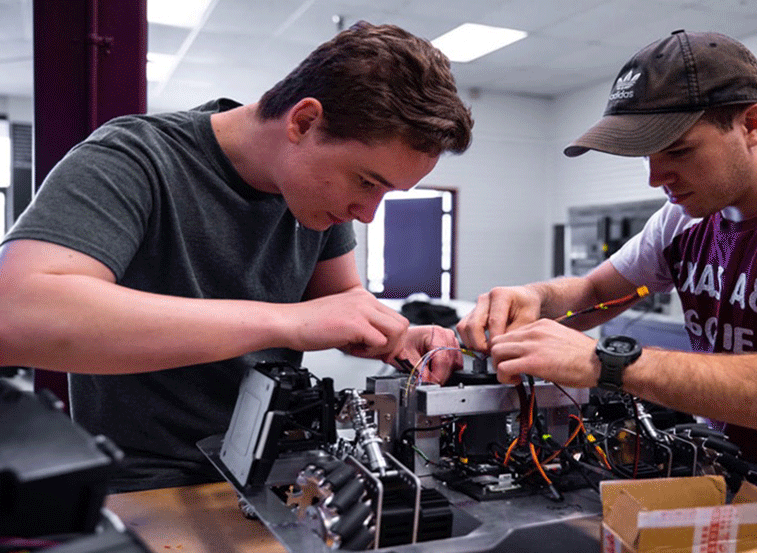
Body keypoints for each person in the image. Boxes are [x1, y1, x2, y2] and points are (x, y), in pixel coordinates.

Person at [457, 30, 757, 536]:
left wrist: (607, 365)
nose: (657, 178)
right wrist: (535, 298)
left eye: (677, 150)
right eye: (646, 156)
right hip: (731, 490)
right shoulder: (682, 220)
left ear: (751, 123)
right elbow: (595, 294)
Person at [0, 22, 473, 493]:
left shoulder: (314, 195)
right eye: (367, 182)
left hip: (272, 471)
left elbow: (341, 299)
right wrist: (289, 322)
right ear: (304, 122)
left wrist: (397, 335)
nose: (367, 214)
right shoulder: (134, 158)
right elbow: (16, 315)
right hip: (149, 484)